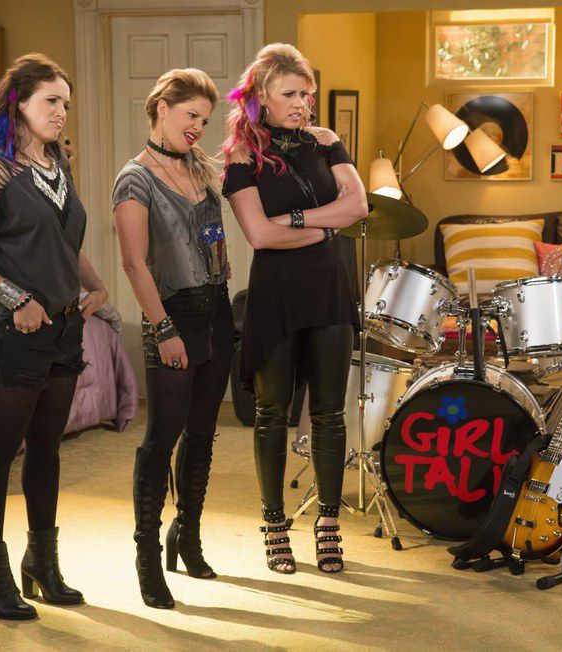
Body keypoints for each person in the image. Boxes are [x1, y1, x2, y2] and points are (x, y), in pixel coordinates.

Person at [0, 53, 108, 620]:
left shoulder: (58, 164)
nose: (62, 112)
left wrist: (97, 286)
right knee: (0, 450)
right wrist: (16, 299)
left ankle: (42, 564)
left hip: (65, 329)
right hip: (16, 334)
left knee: (46, 448)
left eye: (66, 102)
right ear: (18, 103)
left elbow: (65, 244)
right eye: (51, 101)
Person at [221, 43, 367, 574]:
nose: (302, 103)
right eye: (290, 94)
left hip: (329, 287)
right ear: (262, 95)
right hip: (276, 293)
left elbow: (359, 206)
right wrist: (326, 225)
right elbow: (259, 235)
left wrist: (296, 221)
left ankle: (328, 522)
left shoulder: (326, 142)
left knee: (329, 413)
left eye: (307, 93)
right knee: (271, 413)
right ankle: (274, 524)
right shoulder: (242, 155)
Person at [113, 69, 233, 609]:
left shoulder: (202, 168)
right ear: (162, 108)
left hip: (217, 312)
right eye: (191, 116)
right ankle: (146, 554)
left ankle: (187, 535)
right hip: (172, 316)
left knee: (203, 434)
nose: (198, 128)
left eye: (205, 120)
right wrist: (162, 329)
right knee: (162, 438)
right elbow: (133, 263)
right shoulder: (134, 179)